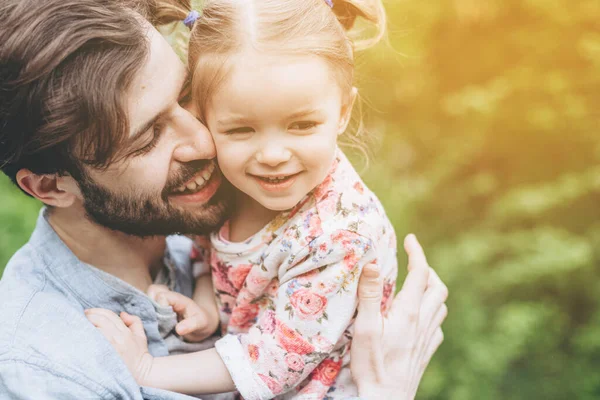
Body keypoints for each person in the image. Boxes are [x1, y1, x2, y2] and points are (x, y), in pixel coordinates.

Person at [0, 0, 447, 399]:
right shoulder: (49, 373)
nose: (204, 141)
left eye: (186, 96)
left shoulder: (225, 220)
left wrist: (205, 298)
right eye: (150, 135)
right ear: (50, 187)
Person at [86, 0, 399, 398]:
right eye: (241, 130)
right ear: (204, 118)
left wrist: (147, 369)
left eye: (301, 124)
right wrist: (207, 304)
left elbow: (270, 364)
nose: (272, 155)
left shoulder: (339, 235)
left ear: (343, 110)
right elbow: (210, 252)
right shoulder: (229, 182)